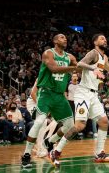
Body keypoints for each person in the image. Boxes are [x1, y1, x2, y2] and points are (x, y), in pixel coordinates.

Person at [49, 33, 109, 166]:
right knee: (79, 126)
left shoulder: (104, 57)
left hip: (93, 94)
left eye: (106, 38)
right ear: (95, 42)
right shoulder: (93, 53)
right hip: (83, 93)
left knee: (104, 122)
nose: (105, 40)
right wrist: (93, 69)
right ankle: (56, 151)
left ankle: (99, 152)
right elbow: (80, 63)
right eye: (102, 38)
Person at [21, 34, 78, 168]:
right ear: (55, 41)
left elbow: (79, 66)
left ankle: (49, 141)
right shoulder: (48, 53)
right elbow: (53, 68)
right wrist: (73, 68)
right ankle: (26, 155)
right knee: (39, 122)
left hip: (59, 95)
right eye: (62, 37)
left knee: (70, 125)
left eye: (66, 37)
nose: (65, 39)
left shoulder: (70, 57)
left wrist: (93, 67)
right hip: (46, 92)